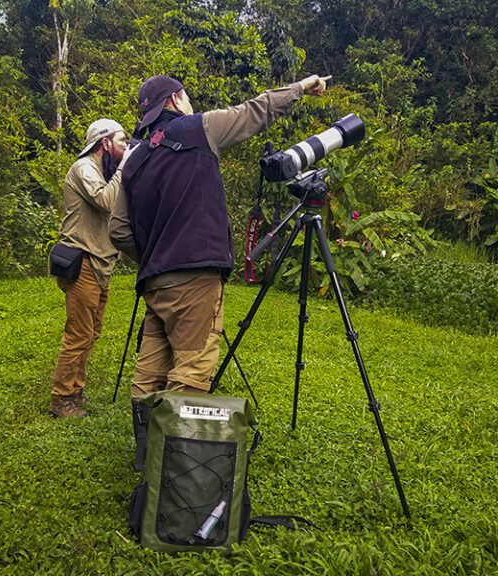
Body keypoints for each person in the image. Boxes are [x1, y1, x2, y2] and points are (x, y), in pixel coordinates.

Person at [109, 74, 330, 467]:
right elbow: (256, 111)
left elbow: (118, 230)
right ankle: (173, 475)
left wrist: (154, 252)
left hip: (154, 280)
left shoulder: (134, 159)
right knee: (192, 368)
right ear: (176, 99)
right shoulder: (199, 129)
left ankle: (147, 460)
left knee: (151, 368)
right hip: (195, 276)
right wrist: (301, 87)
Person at [49, 118, 130, 418]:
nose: (126, 147)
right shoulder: (84, 168)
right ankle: (60, 399)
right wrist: (125, 167)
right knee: (78, 333)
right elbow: (106, 200)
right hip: (82, 262)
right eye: (122, 141)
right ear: (105, 143)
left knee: (92, 332)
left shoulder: (105, 171)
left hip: (99, 263)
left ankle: (75, 391)